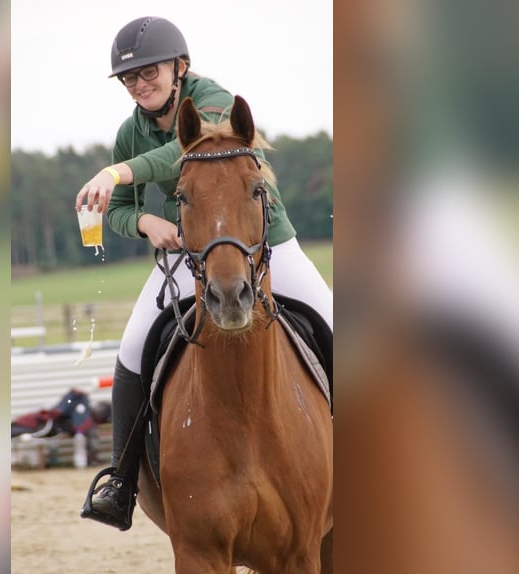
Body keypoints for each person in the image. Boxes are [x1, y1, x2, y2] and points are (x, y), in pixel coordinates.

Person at [75, 16, 333, 530]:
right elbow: (121, 209)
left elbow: (182, 153)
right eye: (130, 78)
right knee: (131, 348)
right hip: (190, 251)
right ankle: (122, 482)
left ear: (180, 67)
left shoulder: (212, 100)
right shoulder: (130, 132)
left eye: (150, 72)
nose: (140, 84)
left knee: (334, 326)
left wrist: (117, 171)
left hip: (266, 245)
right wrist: (147, 221)